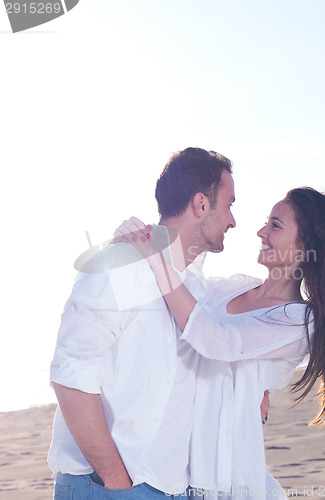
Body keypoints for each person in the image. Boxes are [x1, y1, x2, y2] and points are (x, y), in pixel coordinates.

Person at [114, 187, 325, 499]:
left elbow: (215, 339)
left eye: (275, 225)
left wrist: (155, 257)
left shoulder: (300, 321)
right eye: (267, 222)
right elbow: (177, 301)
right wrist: (138, 241)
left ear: (305, 247)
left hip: (227, 481)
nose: (261, 231)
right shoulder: (232, 287)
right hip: (174, 473)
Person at [48, 147, 270, 500]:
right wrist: (117, 482)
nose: (233, 221)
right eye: (229, 204)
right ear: (201, 204)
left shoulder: (196, 290)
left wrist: (255, 390)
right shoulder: (120, 264)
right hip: (105, 486)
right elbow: (70, 376)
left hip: (174, 490)